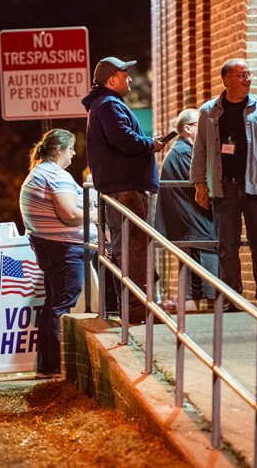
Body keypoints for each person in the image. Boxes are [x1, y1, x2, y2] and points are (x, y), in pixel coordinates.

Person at [190, 58, 257, 311]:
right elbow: (200, 149)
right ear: (226, 80)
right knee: (227, 245)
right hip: (224, 187)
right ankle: (232, 297)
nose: (248, 79)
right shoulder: (208, 111)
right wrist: (200, 184)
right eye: (242, 75)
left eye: (248, 74)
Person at [81, 56, 165, 324]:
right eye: (124, 74)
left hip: (121, 188)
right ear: (111, 80)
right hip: (125, 189)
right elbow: (122, 139)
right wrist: (149, 144)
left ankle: (135, 309)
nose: (130, 78)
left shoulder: (103, 105)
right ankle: (138, 312)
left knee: (127, 248)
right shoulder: (108, 105)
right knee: (133, 249)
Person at [20, 129, 97, 378]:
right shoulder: (55, 175)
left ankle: (47, 364)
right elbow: (69, 214)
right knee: (61, 305)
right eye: (71, 148)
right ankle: (53, 364)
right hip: (64, 248)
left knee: (54, 303)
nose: (74, 154)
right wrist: (97, 215)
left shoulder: (39, 173)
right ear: (58, 150)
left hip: (54, 247)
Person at [154, 109, 218, 310]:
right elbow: (201, 184)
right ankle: (196, 325)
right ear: (188, 128)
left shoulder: (183, 150)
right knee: (195, 278)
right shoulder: (183, 152)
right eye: (200, 124)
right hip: (192, 222)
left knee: (194, 274)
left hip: (192, 221)